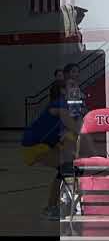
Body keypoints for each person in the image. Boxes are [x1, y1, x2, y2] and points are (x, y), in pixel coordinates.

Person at [21, 80, 79, 220]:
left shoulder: (65, 106)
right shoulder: (59, 104)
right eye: (71, 86)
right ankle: (51, 207)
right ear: (62, 91)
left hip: (47, 144)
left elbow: (69, 132)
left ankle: (63, 203)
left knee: (69, 168)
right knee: (65, 169)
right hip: (35, 146)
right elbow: (74, 127)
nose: (76, 88)